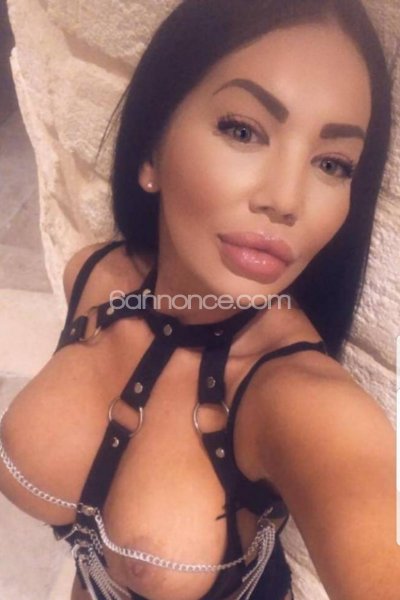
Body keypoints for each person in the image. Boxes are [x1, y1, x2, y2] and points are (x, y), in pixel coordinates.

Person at [0, 0, 398, 599]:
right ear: (152, 150)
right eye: (243, 131)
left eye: (332, 164)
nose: (286, 199)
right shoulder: (93, 276)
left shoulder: (307, 406)